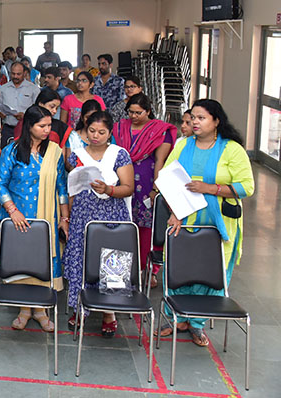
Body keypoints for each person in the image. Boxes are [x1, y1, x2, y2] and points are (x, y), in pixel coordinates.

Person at [161, 99, 254, 347]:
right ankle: (177, 318)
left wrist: (210, 189)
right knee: (181, 268)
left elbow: (247, 187)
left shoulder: (232, 149)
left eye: (201, 118)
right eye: (193, 117)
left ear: (216, 121)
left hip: (218, 224)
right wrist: (174, 211)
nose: (195, 122)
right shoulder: (183, 146)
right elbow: (167, 179)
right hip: (184, 218)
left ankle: (197, 324)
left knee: (211, 272)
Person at [0, 105, 69, 331]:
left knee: (43, 261)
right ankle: (24, 309)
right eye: (42, 126)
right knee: (23, 262)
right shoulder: (12, 151)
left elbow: (62, 186)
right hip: (19, 217)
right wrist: (13, 210)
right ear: (29, 126)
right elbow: (0, 184)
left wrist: (64, 217)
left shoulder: (54, 151)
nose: (47, 130)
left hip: (47, 218)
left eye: (49, 125)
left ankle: (41, 311)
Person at [63, 111, 134, 337]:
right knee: (82, 259)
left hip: (111, 215)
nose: (96, 136)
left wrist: (108, 189)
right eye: (92, 131)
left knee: (111, 260)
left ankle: (109, 313)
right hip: (83, 215)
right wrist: (68, 216)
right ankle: (80, 307)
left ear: (110, 132)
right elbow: (72, 187)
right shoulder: (77, 155)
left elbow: (128, 187)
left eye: (101, 132)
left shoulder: (119, 154)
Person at [113, 93, 175, 288]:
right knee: (123, 225)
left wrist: (156, 188)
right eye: (130, 112)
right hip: (121, 181)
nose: (133, 116)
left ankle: (147, 269)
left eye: (138, 112)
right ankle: (121, 269)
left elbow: (160, 161)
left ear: (148, 111)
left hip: (147, 184)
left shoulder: (159, 131)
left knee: (147, 228)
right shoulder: (119, 127)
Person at [0, 61, 40, 146]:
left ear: (24, 73)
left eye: (18, 74)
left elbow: (37, 109)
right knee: (6, 152)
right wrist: (0, 113)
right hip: (8, 128)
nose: (15, 76)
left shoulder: (33, 89)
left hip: (26, 128)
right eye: (13, 74)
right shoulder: (3, 88)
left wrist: (25, 115)